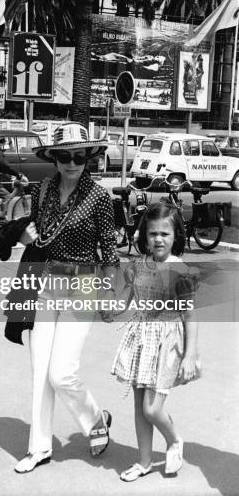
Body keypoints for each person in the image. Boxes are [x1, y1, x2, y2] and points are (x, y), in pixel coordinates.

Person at [11, 122, 119, 474]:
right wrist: (24, 238)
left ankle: (94, 420)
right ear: (54, 159)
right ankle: (39, 448)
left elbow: (109, 252)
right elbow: (36, 236)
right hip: (45, 287)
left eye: (78, 156)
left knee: (62, 374)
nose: (72, 163)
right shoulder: (42, 190)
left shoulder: (100, 197)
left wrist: (109, 294)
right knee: (40, 372)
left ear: (88, 157)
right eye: (64, 157)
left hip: (83, 288)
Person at [111, 202, 200, 482]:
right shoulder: (137, 266)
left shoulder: (180, 270)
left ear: (176, 237)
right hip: (141, 337)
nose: (158, 239)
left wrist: (189, 355)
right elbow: (124, 301)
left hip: (168, 342)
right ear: (144, 236)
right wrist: (108, 310)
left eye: (165, 233)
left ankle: (174, 440)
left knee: (152, 408)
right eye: (152, 234)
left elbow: (189, 314)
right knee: (139, 406)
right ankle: (145, 461)